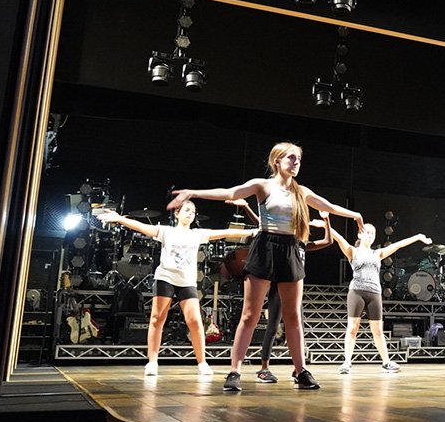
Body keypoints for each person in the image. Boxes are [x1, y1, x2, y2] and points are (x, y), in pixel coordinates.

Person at [167, 142, 365, 393]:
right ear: (277, 162)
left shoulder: (301, 191)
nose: (296, 163)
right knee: (250, 315)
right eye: (291, 158)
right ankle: (234, 371)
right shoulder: (263, 185)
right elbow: (230, 193)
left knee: (293, 317)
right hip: (265, 246)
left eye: (299, 159)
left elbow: (328, 206)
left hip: (291, 248)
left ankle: (301, 370)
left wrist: (355, 215)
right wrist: (193, 192)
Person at [96, 201, 255, 377]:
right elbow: (142, 227)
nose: (190, 214)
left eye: (193, 212)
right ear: (177, 214)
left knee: (194, 321)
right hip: (166, 278)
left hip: (187, 281)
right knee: (157, 319)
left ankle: (202, 362)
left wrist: (249, 232)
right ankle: (152, 361)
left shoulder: (197, 234)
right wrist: (119, 219)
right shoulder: (166, 232)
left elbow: (225, 232)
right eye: (186, 210)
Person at [226, 199, 334, 383]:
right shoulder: (285, 242)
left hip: (294, 285)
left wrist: (327, 222)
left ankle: (299, 369)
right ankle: (264, 368)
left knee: (297, 324)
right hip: (277, 284)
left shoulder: (302, 246)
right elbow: (261, 225)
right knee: (273, 325)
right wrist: (245, 207)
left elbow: (328, 240)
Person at [331, 223, 431, 374]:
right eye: (367, 232)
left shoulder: (377, 253)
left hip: (374, 294)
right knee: (352, 328)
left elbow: (398, 245)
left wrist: (417, 237)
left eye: (373, 233)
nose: (370, 235)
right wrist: (325, 224)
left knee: (378, 330)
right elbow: (338, 238)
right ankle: (346, 362)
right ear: (359, 235)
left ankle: (386, 362)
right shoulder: (353, 251)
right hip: (357, 292)